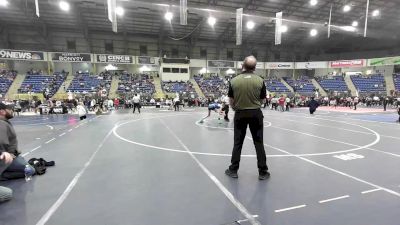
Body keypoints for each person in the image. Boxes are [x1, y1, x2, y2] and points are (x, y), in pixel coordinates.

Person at [225, 56, 269, 180]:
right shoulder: (260, 80)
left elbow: (231, 100)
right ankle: (263, 172)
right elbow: (262, 99)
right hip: (255, 113)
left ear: (242, 66)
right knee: (258, 143)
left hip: (240, 114)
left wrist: (235, 108)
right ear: (255, 67)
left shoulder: (234, 81)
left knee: (237, 143)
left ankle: (233, 170)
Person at [0, 103, 36, 200]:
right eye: (9, 109)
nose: (12, 111)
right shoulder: (2, 123)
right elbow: (1, 142)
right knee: (30, 170)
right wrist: (7, 154)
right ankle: (2, 175)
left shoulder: (5, 122)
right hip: (8, 157)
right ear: (2, 111)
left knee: (27, 167)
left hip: (12, 155)